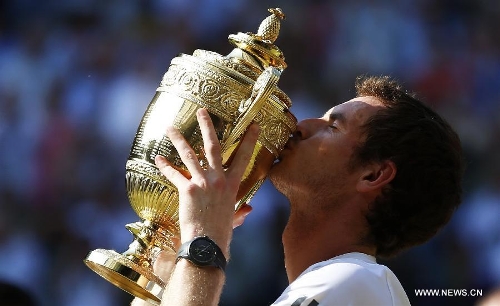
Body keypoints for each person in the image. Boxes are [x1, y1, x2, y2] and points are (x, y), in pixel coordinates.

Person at [131, 75, 464, 305]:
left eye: (333, 127)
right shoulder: (340, 285)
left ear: (374, 174)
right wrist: (168, 274)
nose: (300, 126)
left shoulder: (355, 283)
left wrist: (204, 242)